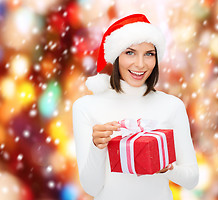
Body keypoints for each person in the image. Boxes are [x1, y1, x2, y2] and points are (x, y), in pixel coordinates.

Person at [72, 14, 199, 200]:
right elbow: (91, 187)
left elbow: (192, 179)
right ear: (116, 55)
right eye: (130, 52)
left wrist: (166, 168)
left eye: (149, 54)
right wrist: (97, 147)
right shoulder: (86, 107)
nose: (140, 64)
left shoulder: (172, 106)